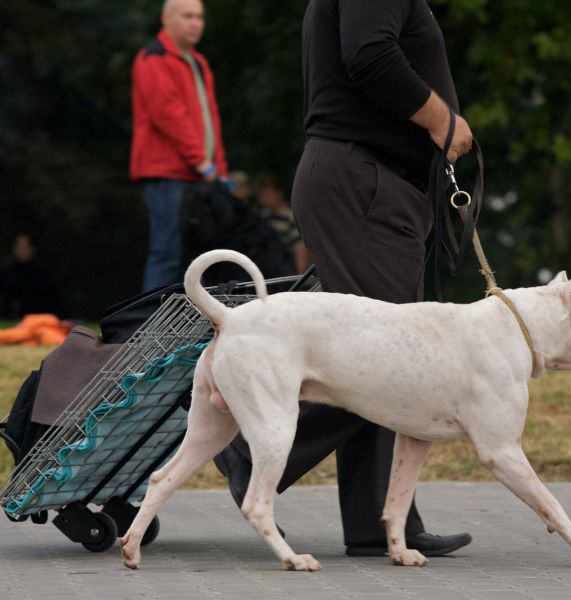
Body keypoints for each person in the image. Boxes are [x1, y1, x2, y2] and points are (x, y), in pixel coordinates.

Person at [215, 0, 474, 557]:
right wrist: (441, 120)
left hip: (370, 183)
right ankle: (246, 452)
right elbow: (370, 55)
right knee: (382, 359)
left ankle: (379, 522)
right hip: (364, 184)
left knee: (383, 356)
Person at [130, 0, 228, 292]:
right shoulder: (153, 58)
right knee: (167, 251)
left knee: (199, 256)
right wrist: (201, 161)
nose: (195, 23)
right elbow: (167, 114)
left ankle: (189, 328)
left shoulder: (198, 62)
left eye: (199, 17)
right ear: (166, 18)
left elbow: (211, 119)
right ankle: (149, 327)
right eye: (187, 16)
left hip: (201, 175)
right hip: (168, 174)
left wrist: (219, 168)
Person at [0, 233, 63, 320]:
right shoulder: (5, 273)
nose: (22, 250)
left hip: (38, 320)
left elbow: (54, 300)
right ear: (14, 249)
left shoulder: (43, 274)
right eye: (19, 247)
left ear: (32, 249)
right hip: (11, 319)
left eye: (25, 247)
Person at [254, 174, 311, 275]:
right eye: (261, 195)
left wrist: (296, 280)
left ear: (278, 193)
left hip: (289, 274)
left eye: (267, 194)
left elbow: (301, 250)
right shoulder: (262, 217)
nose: (264, 198)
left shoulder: (291, 217)